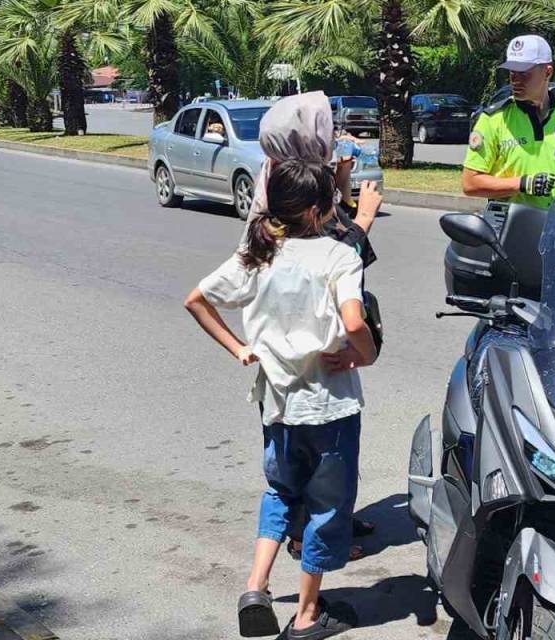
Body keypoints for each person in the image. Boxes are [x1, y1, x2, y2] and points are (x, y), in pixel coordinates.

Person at [184, 159, 381, 639]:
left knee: (279, 492)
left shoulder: (258, 252)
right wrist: (364, 357)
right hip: (330, 408)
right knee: (325, 509)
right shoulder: (338, 257)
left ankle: (256, 585)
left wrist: (240, 348)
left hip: (277, 406)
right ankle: (309, 613)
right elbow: (354, 323)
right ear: (317, 210)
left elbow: (196, 299)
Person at [248, 93, 380, 566]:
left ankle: (333, 519)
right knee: (316, 449)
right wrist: (362, 218)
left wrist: (339, 181)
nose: (332, 133)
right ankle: (311, 538)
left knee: (305, 452)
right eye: (323, 126)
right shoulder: (289, 184)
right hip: (309, 348)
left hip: (290, 344)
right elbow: (333, 252)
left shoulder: (288, 173)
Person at [462, 34, 555, 208]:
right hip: (508, 228)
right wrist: (522, 184)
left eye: (524, 73)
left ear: (548, 71)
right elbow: (470, 183)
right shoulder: (492, 120)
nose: (515, 80)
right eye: (512, 72)